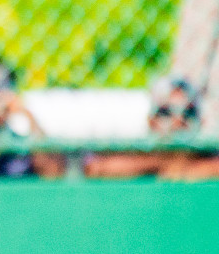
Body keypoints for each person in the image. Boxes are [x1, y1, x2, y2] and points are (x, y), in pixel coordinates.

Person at [83, 76, 219, 179]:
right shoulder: (140, 153)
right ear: (151, 121)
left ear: (202, 121)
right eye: (166, 112)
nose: (177, 122)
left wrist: (189, 168)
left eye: (188, 113)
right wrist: (162, 163)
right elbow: (93, 167)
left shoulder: (210, 155)